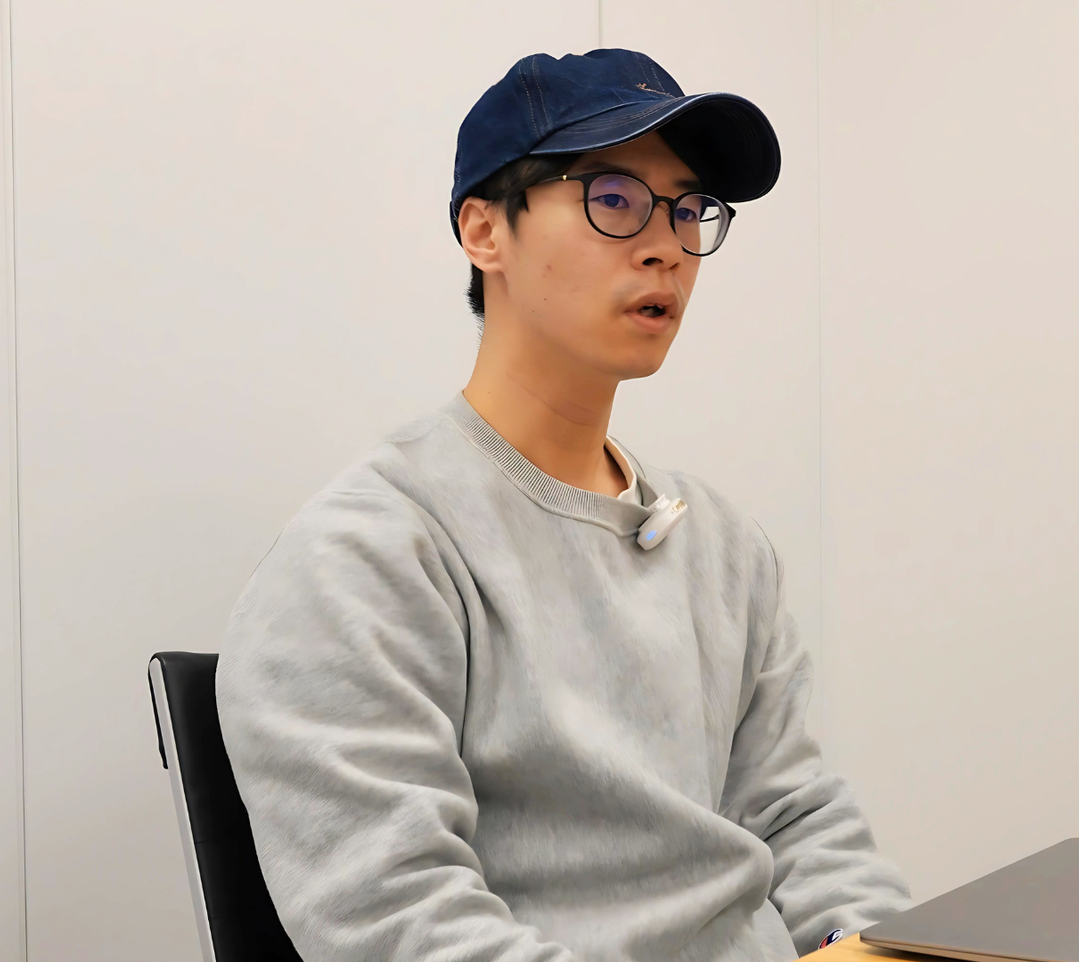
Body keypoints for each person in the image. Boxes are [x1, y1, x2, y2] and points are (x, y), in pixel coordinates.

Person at [216, 48, 911, 962]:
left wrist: (867, 945)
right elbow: (395, 916)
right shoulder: (369, 552)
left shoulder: (724, 546)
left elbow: (800, 819)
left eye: (689, 209)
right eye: (614, 199)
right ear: (484, 231)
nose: (666, 246)